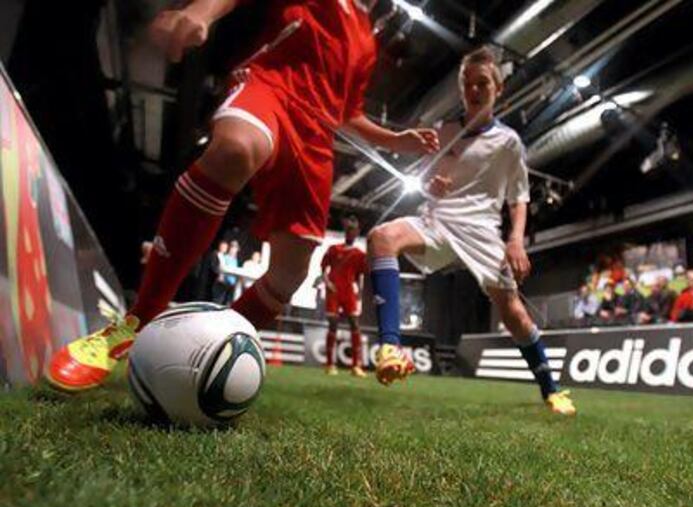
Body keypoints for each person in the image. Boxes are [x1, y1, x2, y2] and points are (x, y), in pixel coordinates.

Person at [46, 0, 439, 392]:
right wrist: (201, 13)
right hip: (271, 87)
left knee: (290, 273)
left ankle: (208, 348)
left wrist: (395, 140)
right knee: (237, 148)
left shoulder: (366, 41)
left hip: (316, 137)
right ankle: (134, 323)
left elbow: (348, 114)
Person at [366, 47, 575, 415]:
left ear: (498, 90)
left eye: (482, 84)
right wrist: (432, 186)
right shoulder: (445, 131)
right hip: (439, 220)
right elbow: (430, 180)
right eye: (467, 84)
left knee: (513, 313)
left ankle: (551, 389)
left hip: (482, 231)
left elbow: (519, 198)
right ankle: (389, 347)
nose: (473, 91)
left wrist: (515, 241)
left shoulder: (509, 142)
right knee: (382, 237)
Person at [320, 216, 368, 377]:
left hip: (349, 292)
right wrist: (327, 282)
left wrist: (360, 293)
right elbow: (323, 268)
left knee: (355, 324)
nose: (351, 233)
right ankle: (329, 364)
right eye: (349, 230)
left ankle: (356, 366)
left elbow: (361, 275)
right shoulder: (333, 249)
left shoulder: (359, 254)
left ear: (357, 232)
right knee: (333, 324)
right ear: (345, 231)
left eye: (354, 230)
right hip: (334, 290)